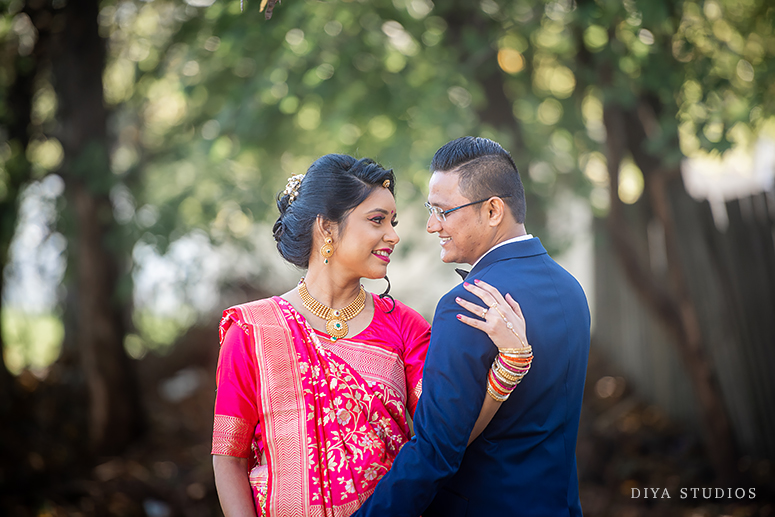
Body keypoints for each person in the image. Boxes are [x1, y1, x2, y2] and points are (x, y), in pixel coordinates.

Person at [210, 154, 530, 517]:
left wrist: (509, 367)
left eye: (392, 222)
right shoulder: (253, 330)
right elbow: (229, 460)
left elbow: (447, 434)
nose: (393, 235)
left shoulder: (406, 327)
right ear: (327, 227)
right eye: (377, 220)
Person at [352, 137, 591, 517]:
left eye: (443, 211)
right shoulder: (570, 289)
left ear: (494, 210)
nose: (433, 226)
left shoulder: (468, 303)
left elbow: (435, 450)